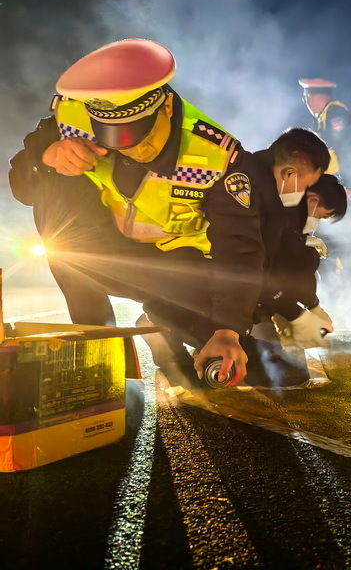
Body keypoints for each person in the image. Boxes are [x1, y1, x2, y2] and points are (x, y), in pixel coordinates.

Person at [10, 39, 266, 387]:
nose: (127, 147)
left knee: (238, 351)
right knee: (57, 208)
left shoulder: (217, 157)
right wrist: (47, 159)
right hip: (108, 254)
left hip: (186, 266)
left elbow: (240, 248)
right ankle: (100, 349)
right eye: (112, 136)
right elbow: (21, 187)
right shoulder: (70, 117)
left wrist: (229, 328)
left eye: (138, 135)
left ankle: (164, 320)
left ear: (166, 108)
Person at [253, 170, 347, 349]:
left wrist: (313, 306)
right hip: (250, 301)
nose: (318, 221)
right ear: (312, 200)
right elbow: (265, 273)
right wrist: (296, 314)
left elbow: (301, 269)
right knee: (267, 354)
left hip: (271, 301)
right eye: (322, 215)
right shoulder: (276, 216)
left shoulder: (297, 223)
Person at [298, 78, 351, 182]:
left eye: (305, 98)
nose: (307, 102)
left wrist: (348, 183)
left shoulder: (336, 112)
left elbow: (346, 146)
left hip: (340, 178)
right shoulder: (321, 118)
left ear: (310, 99)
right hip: (331, 178)